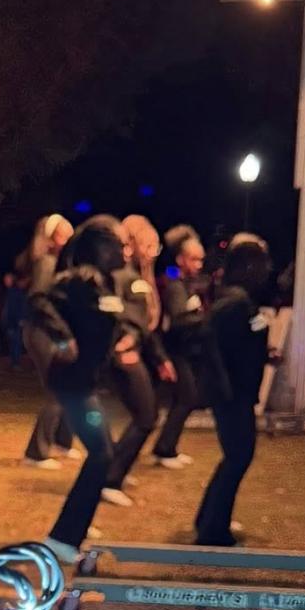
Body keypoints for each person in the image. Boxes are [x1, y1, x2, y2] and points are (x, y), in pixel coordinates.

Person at [27, 216, 127, 564]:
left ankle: (71, 530)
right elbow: (39, 303)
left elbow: (102, 326)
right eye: (118, 243)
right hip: (72, 383)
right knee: (102, 454)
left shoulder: (104, 283)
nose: (124, 250)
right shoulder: (80, 279)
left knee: (103, 453)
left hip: (83, 382)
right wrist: (64, 337)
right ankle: (63, 537)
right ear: (101, 248)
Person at [195, 233, 273, 548]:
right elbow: (212, 346)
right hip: (232, 393)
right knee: (239, 456)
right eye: (262, 264)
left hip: (235, 391)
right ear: (248, 266)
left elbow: (238, 345)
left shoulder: (239, 300)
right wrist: (225, 388)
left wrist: (265, 354)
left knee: (235, 457)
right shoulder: (235, 302)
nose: (267, 270)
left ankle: (209, 520)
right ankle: (212, 530)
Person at [101, 214, 175, 507]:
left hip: (135, 351)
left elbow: (146, 324)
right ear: (132, 243)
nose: (153, 251)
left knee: (141, 415)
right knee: (146, 417)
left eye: (156, 246)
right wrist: (127, 342)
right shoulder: (123, 275)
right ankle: (109, 479)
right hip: (123, 354)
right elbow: (127, 318)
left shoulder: (141, 276)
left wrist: (159, 358)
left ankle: (113, 469)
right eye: (149, 244)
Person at [19, 213, 76, 468]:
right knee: (58, 389)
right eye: (66, 234)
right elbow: (38, 299)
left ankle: (61, 442)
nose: (71, 238)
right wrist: (62, 329)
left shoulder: (59, 264)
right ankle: (36, 454)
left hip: (53, 333)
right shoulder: (46, 263)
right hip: (42, 333)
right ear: (53, 238)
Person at [152, 226, 209, 469]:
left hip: (182, 352)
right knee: (186, 398)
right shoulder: (176, 286)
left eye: (201, 260)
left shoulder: (187, 285)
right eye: (194, 259)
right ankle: (164, 449)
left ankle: (167, 448)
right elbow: (177, 321)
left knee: (182, 399)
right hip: (175, 352)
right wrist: (204, 318)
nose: (198, 264)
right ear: (180, 259)